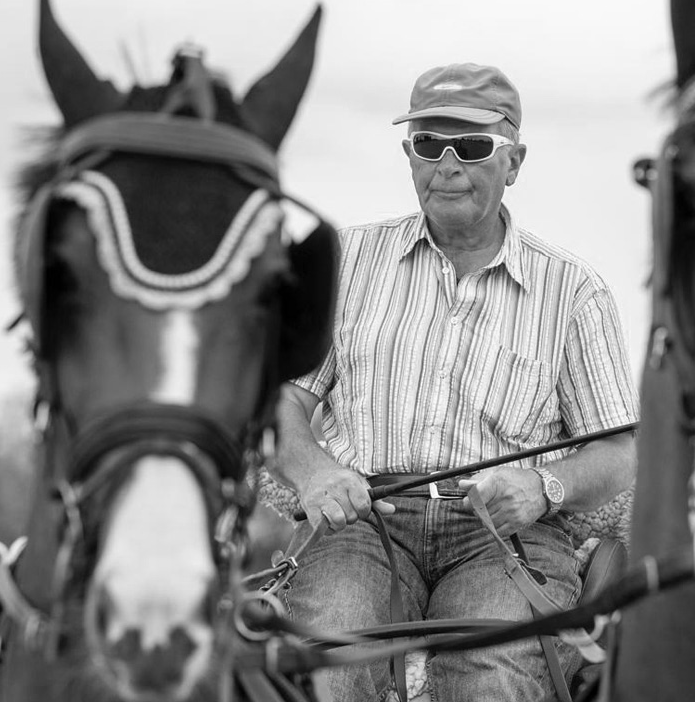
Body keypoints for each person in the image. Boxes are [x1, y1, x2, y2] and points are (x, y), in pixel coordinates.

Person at [272, 63, 638, 702]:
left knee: (493, 685)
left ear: (514, 161)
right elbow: (283, 400)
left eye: (471, 147)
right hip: (367, 522)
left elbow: (619, 448)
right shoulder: (345, 262)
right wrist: (313, 472)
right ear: (408, 157)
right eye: (426, 145)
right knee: (324, 672)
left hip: (506, 535)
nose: (446, 164)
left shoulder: (576, 292)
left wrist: (544, 485)